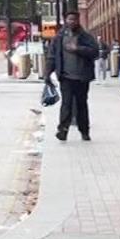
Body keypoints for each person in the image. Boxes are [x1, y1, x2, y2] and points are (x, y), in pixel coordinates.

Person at [45, 11, 99, 142]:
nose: (72, 22)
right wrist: (47, 73)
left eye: (74, 19)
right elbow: (52, 56)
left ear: (78, 20)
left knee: (81, 105)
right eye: (69, 19)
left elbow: (95, 52)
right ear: (65, 20)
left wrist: (78, 49)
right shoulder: (59, 38)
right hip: (66, 77)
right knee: (66, 104)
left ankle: (84, 131)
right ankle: (62, 130)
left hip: (82, 77)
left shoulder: (85, 36)